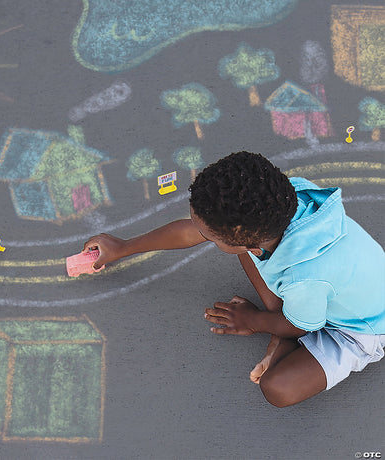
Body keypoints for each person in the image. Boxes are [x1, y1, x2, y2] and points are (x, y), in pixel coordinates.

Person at [83, 151, 385, 407]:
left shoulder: (303, 275)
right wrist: (122, 247)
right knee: (242, 253)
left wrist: (251, 320)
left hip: (359, 329)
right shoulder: (277, 203)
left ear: (251, 244)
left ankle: (286, 341)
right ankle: (282, 336)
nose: (199, 233)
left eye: (207, 234)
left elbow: (300, 324)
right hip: (322, 292)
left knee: (278, 389)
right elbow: (192, 230)